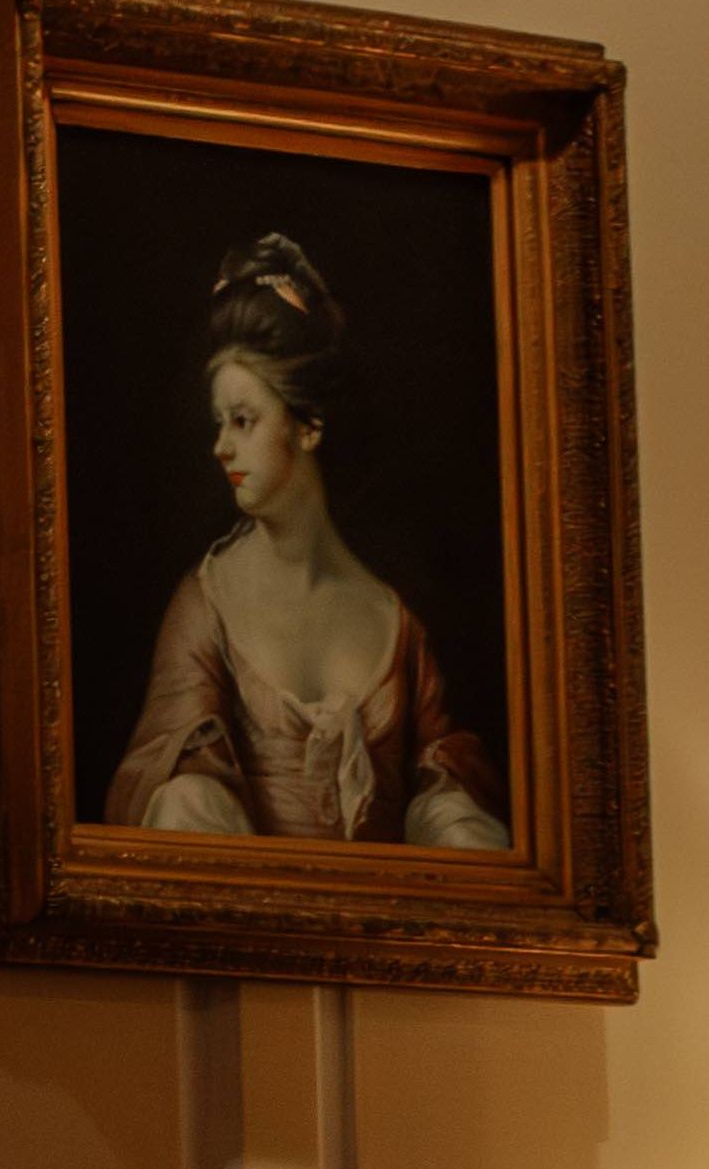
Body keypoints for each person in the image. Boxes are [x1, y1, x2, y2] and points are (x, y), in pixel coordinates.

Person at [105, 231, 509, 849]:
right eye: (219, 424)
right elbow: (175, 793)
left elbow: (443, 785)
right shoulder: (205, 603)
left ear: (309, 427)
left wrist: (452, 824)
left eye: (243, 421)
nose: (222, 447)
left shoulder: (396, 620)